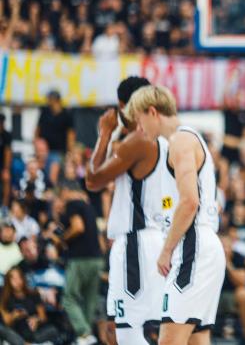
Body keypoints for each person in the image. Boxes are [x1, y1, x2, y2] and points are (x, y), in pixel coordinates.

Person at [125, 85, 224, 345]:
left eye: (139, 120)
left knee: (169, 341)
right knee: (196, 340)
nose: (139, 128)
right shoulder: (185, 140)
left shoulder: (181, 141)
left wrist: (166, 250)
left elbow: (190, 202)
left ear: (152, 112)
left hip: (194, 246)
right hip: (203, 246)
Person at [85, 76, 170, 344]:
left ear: (125, 106)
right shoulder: (165, 141)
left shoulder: (138, 141)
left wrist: (105, 132)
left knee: (127, 334)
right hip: (154, 241)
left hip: (136, 243)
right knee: (125, 331)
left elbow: (92, 180)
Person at [56, 187, 103, 345]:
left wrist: (62, 239)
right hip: (96, 259)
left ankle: (84, 332)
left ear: (66, 191)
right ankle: (86, 338)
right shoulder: (89, 207)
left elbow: (78, 227)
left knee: (68, 298)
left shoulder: (73, 204)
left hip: (80, 258)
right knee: (89, 300)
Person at [0, 267, 61, 344]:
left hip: (34, 331)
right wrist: (14, 316)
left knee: (52, 330)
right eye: (13, 279)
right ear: (8, 281)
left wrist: (36, 319)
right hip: (16, 333)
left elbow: (43, 317)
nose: (17, 281)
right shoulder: (4, 298)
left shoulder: (33, 294)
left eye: (19, 277)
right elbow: (6, 322)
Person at [35, 89, 75, 156]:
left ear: (56, 100)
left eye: (50, 99)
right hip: (44, 151)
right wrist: (37, 144)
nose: (48, 101)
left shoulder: (66, 115)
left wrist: (70, 151)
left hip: (60, 151)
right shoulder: (45, 112)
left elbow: (70, 134)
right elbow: (38, 129)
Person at [0, 113, 12, 209]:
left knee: (6, 178)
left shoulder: (6, 135)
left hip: (2, 164)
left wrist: (6, 169)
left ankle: (4, 206)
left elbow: (8, 153)